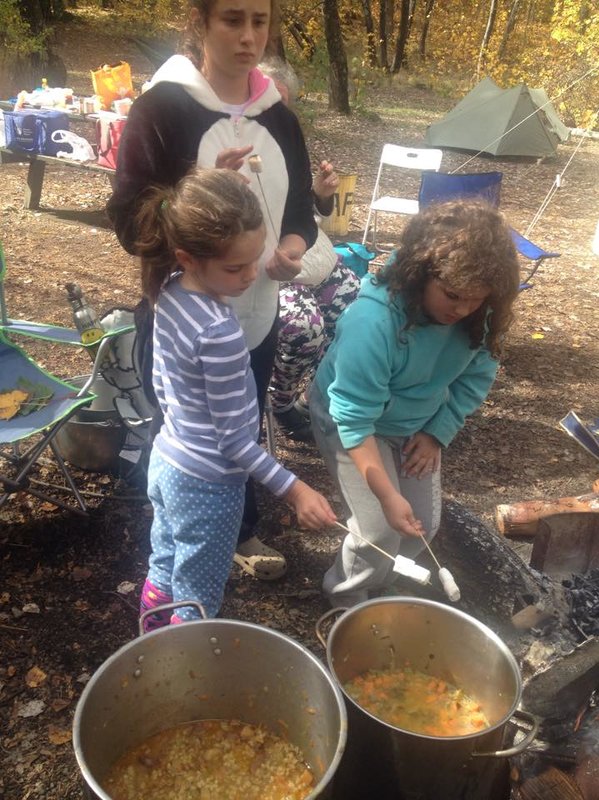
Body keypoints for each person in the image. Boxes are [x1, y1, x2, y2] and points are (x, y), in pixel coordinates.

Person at [107, 0, 317, 582]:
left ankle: (236, 526)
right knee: (182, 425)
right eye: (232, 19)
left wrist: (292, 248)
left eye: (260, 21)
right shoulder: (164, 108)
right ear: (201, 23)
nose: (249, 36)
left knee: (241, 423)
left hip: (256, 312)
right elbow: (129, 221)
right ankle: (177, 525)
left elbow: (302, 209)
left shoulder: (279, 117)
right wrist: (196, 190)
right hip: (182, 315)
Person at [136, 167, 336, 629]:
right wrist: (296, 489)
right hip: (208, 484)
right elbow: (235, 443)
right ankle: (184, 676)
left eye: (255, 258)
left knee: (165, 563)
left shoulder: (167, 289)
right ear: (188, 257)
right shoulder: (219, 332)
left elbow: (164, 385)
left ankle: (147, 641)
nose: (252, 274)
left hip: (167, 460)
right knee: (199, 597)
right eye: (235, 267)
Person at [310, 200, 521, 607]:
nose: (461, 309)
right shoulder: (373, 323)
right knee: (377, 528)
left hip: (414, 422)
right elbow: (354, 419)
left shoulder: (481, 313)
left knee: (423, 523)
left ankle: (382, 576)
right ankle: (347, 597)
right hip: (350, 420)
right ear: (420, 275)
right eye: (452, 295)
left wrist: (436, 432)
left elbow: (477, 377)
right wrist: (388, 496)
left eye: (474, 300)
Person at [257, 57, 361, 441]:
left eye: (280, 101)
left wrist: (320, 195)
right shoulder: (238, 140)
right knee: (305, 328)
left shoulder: (288, 138)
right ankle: (280, 402)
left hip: (319, 261)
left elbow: (302, 209)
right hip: (278, 272)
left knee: (363, 315)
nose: (271, 109)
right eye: (263, 95)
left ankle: (323, 396)